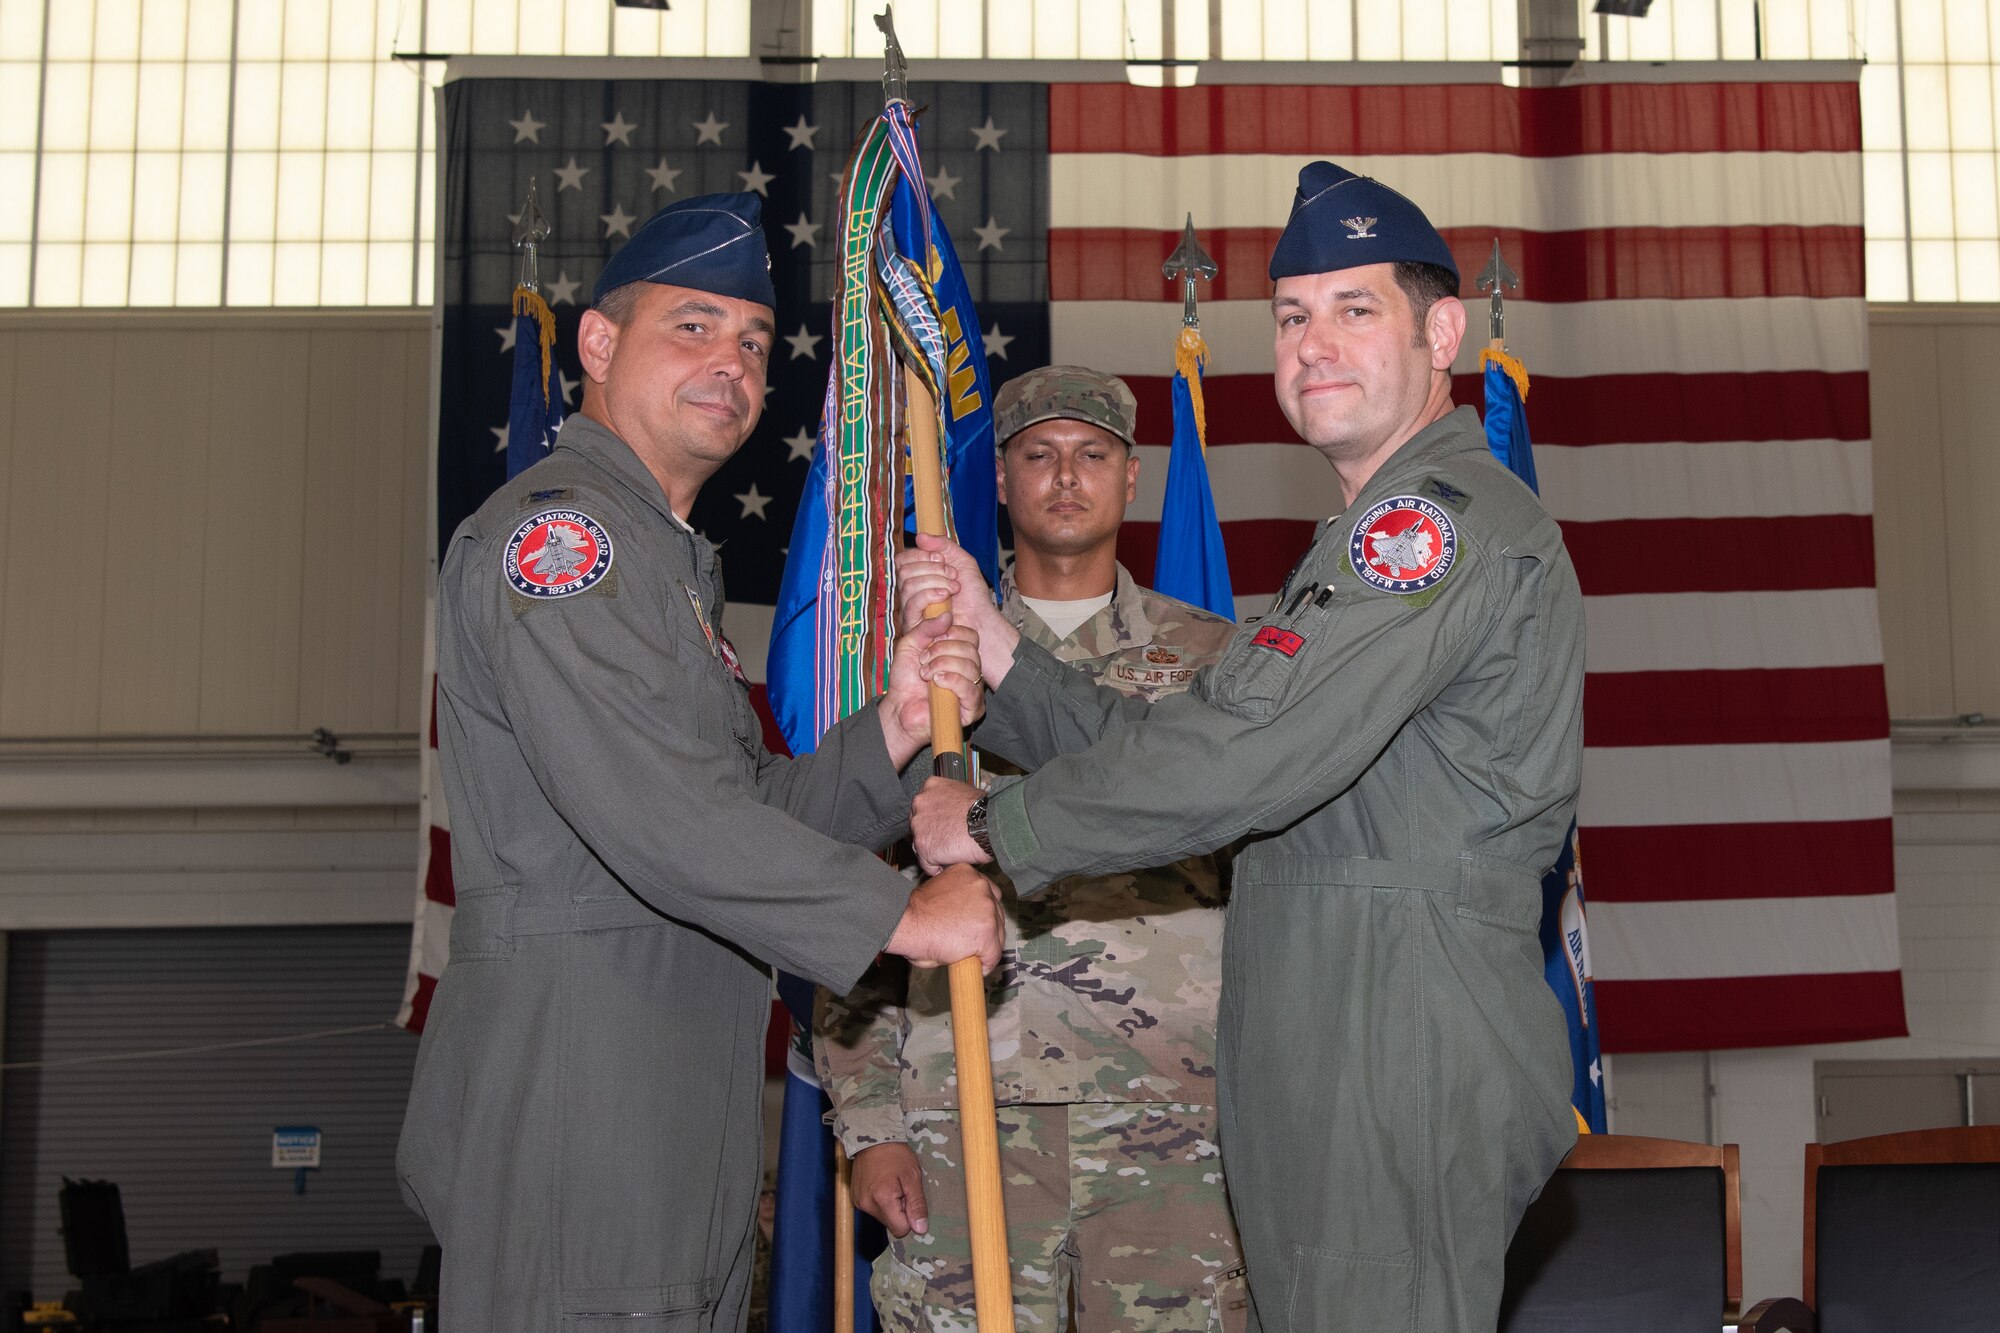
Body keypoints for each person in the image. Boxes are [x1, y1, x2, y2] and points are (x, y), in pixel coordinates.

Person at [897, 163, 1584, 1332]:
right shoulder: (1364, 534)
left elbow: (1236, 757)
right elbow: (1197, 744)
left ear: (1443, 331)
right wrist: (1005, 658)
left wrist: (993, 823)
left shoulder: (1427, 531)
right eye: (1290, 316)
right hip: (1334, 1031)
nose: (1314, 344)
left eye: (1354, 309)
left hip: (1390, 1036)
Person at [396, 194, 1006, 1333]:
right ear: (596, 344)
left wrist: (889, 725)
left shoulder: (666, 562)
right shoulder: (564, 540)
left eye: (753, 343)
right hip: (583, 1098)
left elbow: (739, 803)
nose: (729, 363)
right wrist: (901, 916)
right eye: (691, 327)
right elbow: (658, 814)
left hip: (667, 1093)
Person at [817, 366, 1247, 1333]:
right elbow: (849, 894)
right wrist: (872, 1125)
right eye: (1038, 455)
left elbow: (1262, 889)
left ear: (1131, 479)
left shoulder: (1216, 662)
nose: (1066, 477)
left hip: (1173, 1131)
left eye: (1093, 454)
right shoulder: (917, 670)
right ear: (1000, 482)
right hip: (962, 1114)